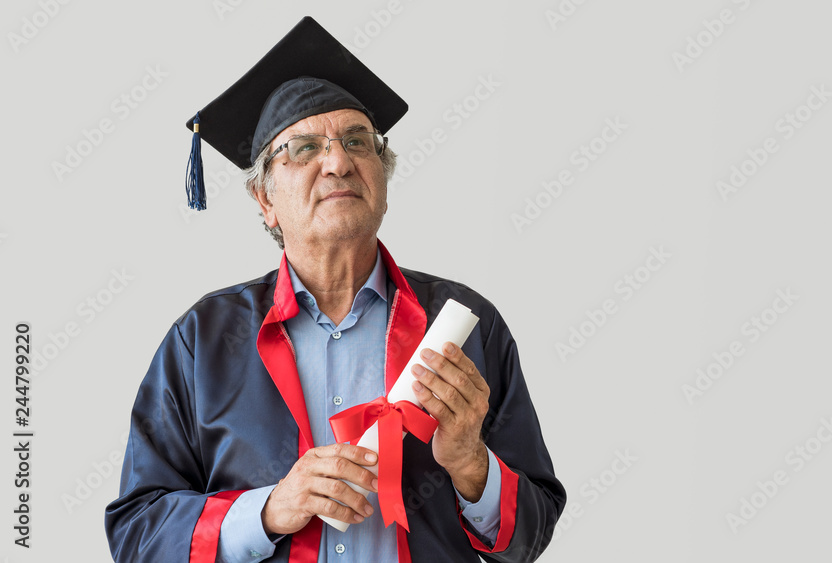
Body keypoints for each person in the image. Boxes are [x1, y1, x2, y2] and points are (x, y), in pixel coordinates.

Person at [104, 16, 565, 563]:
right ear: (265, 199)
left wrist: (471, 463)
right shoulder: (203, 340)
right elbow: (138, 533)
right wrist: (270, 509)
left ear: (384, 180)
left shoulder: (466, 327)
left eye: (357, 141)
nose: (339, 161)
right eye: (303, 149)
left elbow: (530, 537)